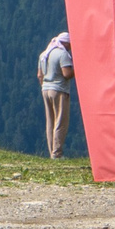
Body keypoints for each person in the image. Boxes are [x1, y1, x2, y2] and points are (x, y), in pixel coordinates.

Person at [39, 31, 75, 159]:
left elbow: (40, 75)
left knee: (50, 121)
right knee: (61, 122)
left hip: (45, 89)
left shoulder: (44, 54)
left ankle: (52, 152)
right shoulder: (63, 54)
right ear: (65, 43)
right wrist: (76, 69)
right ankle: (57, 153)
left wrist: (45, 86)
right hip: (59, 90)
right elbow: (67, 74)